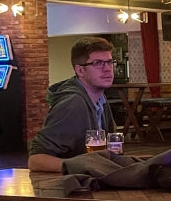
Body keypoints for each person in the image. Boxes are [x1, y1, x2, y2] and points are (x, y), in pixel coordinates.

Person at [28, 36, 117, 172]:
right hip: (67, 183)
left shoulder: (100, 99)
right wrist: (80, 167)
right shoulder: (73, 103)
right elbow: (36, 160)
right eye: (98, 63)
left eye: (109, 62)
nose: (107, 69)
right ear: (80, 70)